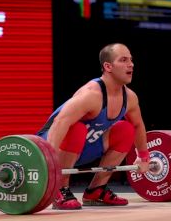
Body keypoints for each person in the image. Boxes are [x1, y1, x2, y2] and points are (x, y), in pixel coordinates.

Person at [37, 43, 150, 210]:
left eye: (131, 60)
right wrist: (49, 160)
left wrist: (144, 156)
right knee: (77, 128)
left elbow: (138, 125)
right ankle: (60, 189)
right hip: (52, 143)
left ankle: (96, 190)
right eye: (124, 60)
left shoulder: (130, 98)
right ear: (108, 66)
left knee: (126, 130)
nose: (131, 64)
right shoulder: (91, 94)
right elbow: (60, 123)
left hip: (86, 146)